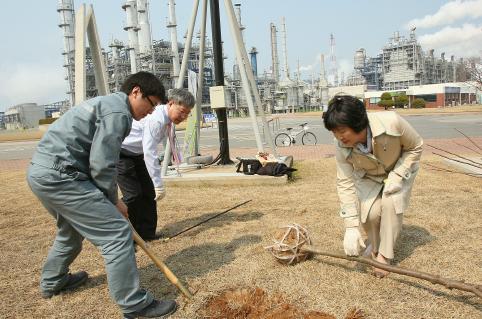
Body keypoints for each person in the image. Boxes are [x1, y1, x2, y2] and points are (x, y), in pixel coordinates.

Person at [27, 71, 178, 318]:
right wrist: (113, 200)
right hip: (62, 176)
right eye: (151, 104)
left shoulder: (106, 105)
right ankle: (135, 305)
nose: (150, 112)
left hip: (41, 173)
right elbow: (101, 164)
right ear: (136, 91)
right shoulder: (118, 114)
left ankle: (53, 281)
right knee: (117, 234)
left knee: (70, 231)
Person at [323, 95, 423, 277]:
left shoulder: (392, 122)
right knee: (371, 213)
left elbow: (416, 146)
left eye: (342, 130)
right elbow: (344, 182)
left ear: (358, 123)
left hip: (398, 169)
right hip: (369, 175)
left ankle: (384, 256)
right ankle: (375, 246)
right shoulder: (340, 145)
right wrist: (351, 226)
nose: (338, 136)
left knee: (390, 203)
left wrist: (398, 175)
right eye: (334, 132)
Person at [117, 88, 195, 240]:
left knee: (148, 193)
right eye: (182, 111)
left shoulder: (168, 119)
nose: (184, 116)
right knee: (133, 195)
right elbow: (149, 152)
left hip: (137, 154)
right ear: (171, 103)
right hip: (123, 153)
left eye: (187, 113)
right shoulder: (157, 119)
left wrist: (155, 185)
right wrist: (158, 184)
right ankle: (125, 235)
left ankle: (147, 234)